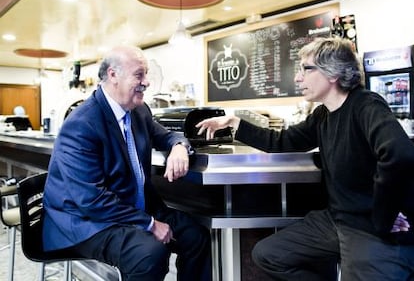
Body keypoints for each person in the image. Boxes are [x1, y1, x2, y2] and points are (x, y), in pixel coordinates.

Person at [196, 37, 414, 281]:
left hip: (371, 230)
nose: (298, 78)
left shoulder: (366, 104)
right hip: (336, 221)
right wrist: (234, 123)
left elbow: (399, 154)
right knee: (268, 255)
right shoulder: (324, 114)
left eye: (307, 69)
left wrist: (384, 214)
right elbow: (283, 141)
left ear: (333, 73)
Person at [43, 46, 212, 281]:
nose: (147, 82)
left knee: (197, 237)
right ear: (113, 75)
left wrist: (180, 147)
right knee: (149, 254)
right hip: (88, 220)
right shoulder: (82, 124)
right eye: (139, 74)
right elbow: (91, 200)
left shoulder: (139, 110)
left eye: (146, 74)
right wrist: (151, 224)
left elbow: (167, 136)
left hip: (130, 208)